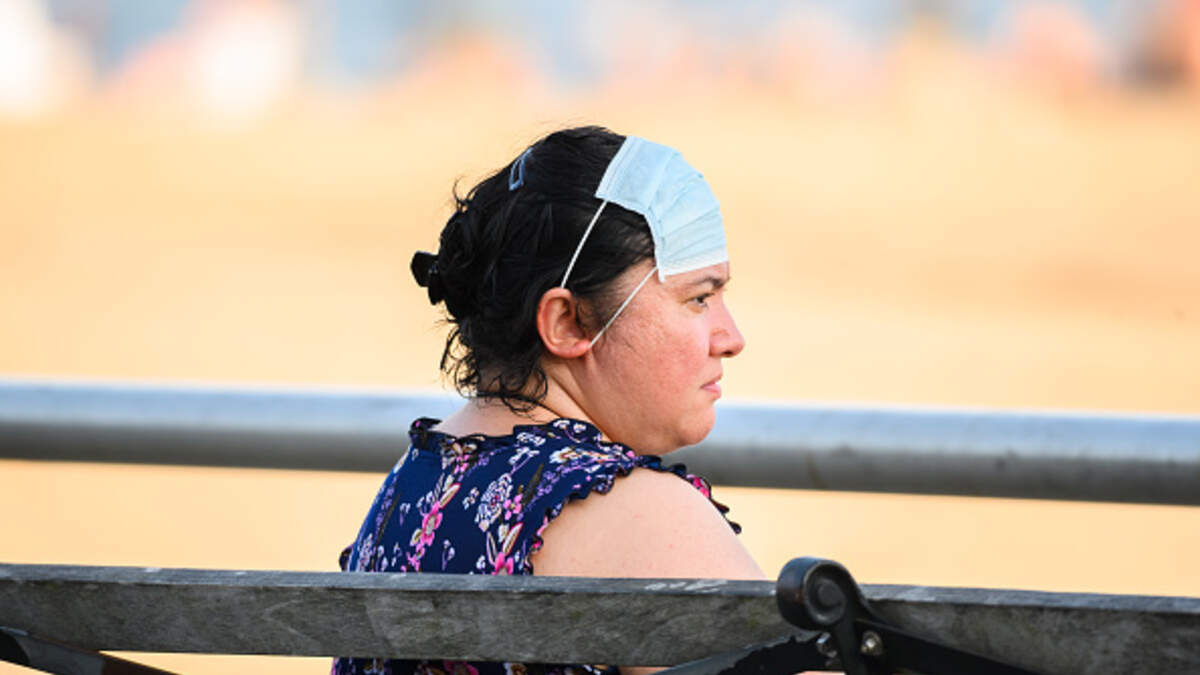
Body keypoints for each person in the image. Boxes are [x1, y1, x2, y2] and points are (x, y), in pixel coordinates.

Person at [333, 125, 763, 675]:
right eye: (699, 298)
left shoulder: (413, 487)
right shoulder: (636, 514)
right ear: (567, 322)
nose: (731, 338)